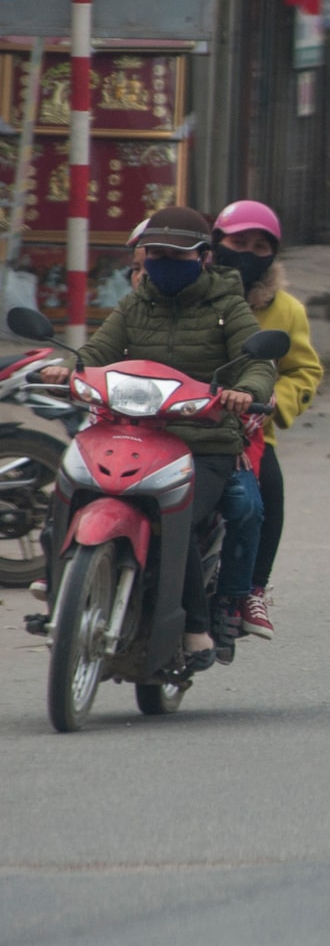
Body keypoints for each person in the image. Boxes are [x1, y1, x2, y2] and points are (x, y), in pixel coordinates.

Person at [39, 207, 278, 671]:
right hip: (131, 432)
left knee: (177, 521)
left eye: (176, 254)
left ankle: (196, 625)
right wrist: (67, 369)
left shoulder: (228, 307)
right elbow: (96, 353)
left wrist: (246, 392)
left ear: (203, 257)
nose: (163, 262)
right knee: (66, 492)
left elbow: (257, 363)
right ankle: (60, 586)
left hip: (203, 443)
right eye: (156, 253)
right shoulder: (135, 303)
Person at [210, 201, 323, 645]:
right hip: (180, 416)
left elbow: (304, 371)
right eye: (239, 242)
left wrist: (275, 402)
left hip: (250, 429)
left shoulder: (286, 309)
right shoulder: (190, 294)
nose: (248, 253)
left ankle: (251, 588)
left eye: (261, 246)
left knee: (267, 492)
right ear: (216, 243)